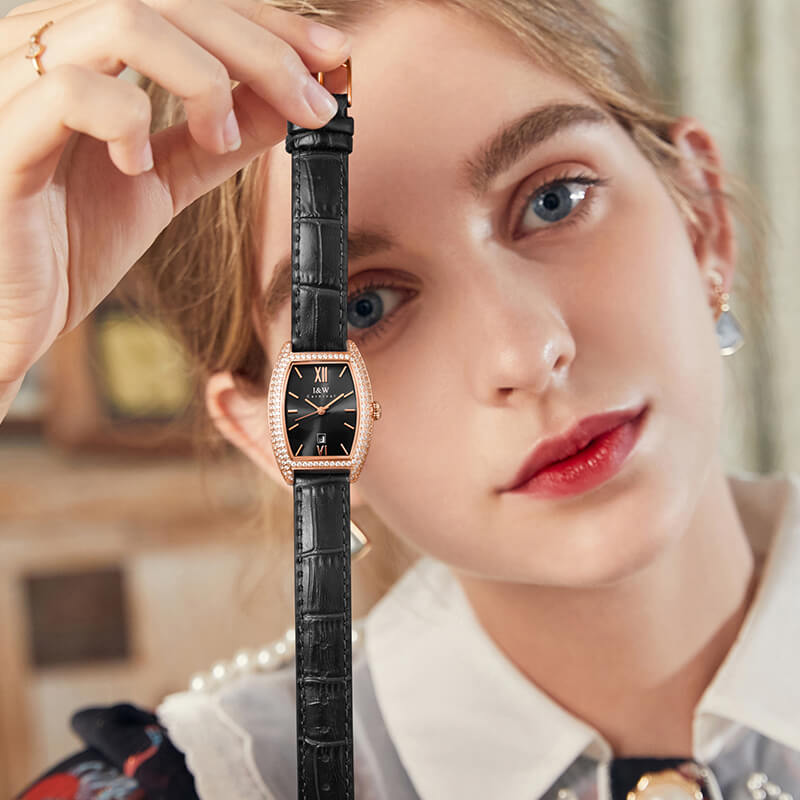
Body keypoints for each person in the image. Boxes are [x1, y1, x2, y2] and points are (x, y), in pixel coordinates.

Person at [3, 0, 799, 798]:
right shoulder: (205, 779)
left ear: (703, 221)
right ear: (274, 435)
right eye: (363, 307)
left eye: (553, 200)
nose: (525, 353)